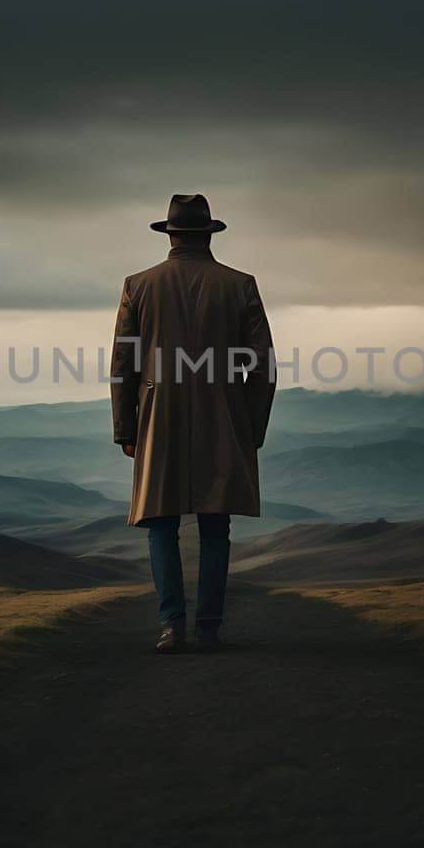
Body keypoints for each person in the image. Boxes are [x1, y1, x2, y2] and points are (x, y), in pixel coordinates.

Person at [110, 194, 277, 653]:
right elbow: (262, 367)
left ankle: (171, 626)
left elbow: (124, 363)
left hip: (158, 419)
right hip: (224, 418)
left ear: (171, 234)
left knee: (160, 524)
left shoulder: (138, 285)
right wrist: (251, 428)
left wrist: (126, 427)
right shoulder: (240, 285)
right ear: (208, 233)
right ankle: (208, 628)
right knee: (215, 526)